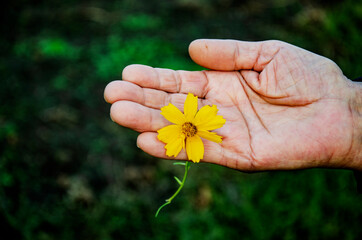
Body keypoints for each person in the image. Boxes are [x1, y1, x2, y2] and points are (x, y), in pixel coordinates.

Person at [104, 39, 361, 173]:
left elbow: (205, 126)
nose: (189, 129)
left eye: (190, 128)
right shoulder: (179, 122)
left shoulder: (198, 124)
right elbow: (175, 127)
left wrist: (350, 106)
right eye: (189, 128)